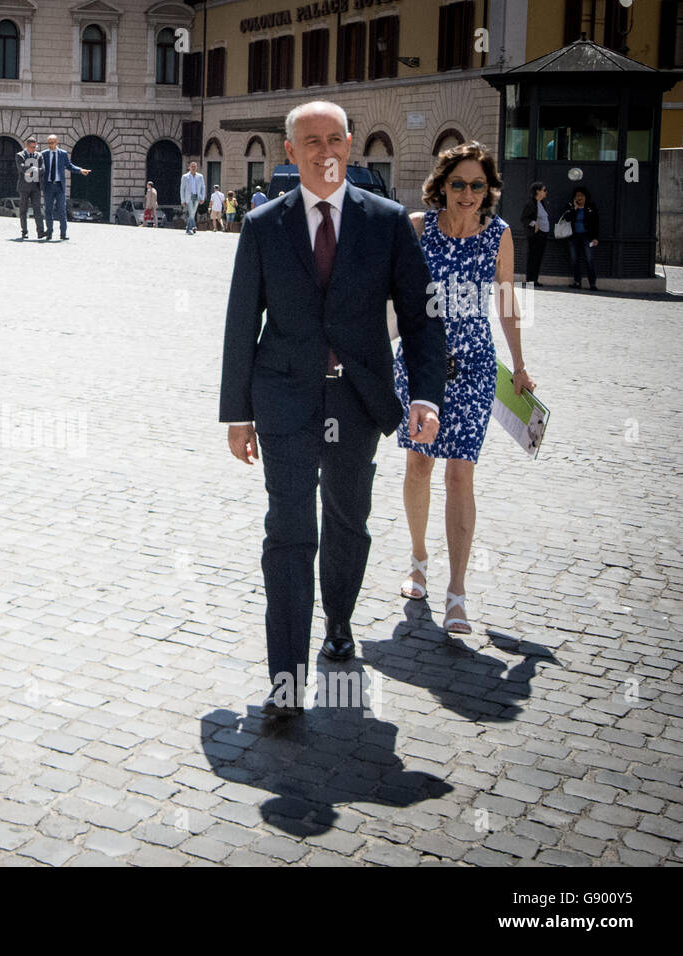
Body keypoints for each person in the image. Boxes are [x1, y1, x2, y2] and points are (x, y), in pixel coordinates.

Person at [220, 100, 445, 718]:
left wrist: (425, 393)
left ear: (350, 146)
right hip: (284, 399)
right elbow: (242, 323)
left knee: (348, 521)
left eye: (335, 139)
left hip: (356, 398)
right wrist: (237, 414)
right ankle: (285, 683)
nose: (324, 151)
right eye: (310, 141)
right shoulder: (264, 225)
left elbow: (424, 320)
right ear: (290, 152)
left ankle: (339, 621)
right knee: (289, 532)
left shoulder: (388, 222)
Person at [396, 141, 535, 635]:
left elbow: (507, 303)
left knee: (460, 474)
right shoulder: (417, 228)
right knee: (419, 461)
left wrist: (518, 365)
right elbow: (390, 292)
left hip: (475, 365)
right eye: (459, 184)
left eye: (479, 185)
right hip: (421, 362)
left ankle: (457, 592)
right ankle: (417, 559)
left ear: (489, 190)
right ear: (442, 186)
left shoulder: (498, 235)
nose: (469, 193)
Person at [40, 134, 90, 241]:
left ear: (56, 142)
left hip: (59, 186)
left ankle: (63, 233)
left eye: (52, 143)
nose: (50, 145)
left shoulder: (63, 154)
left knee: (62, 210)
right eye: (48, 143)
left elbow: (69, 166)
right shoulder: (43, 154)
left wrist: (80, 170)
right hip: (48, 186)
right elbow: (39, 168)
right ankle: (49, 233)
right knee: (48, 210)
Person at [563, 186, 600, 291]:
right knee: (575, 259)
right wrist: (574, 208)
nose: (579, 198)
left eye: (581, 196)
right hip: (573, 236)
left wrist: (595, 238)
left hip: (587, 237)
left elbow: (596, 223)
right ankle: (577, 282)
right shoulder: (570, 206)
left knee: (589, 259)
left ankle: (592, 283)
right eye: (577, 196)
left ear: (586, 197)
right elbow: (567, 218)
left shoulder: (591, 207)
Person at [519, 181, 551, 286]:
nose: (546, 192)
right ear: (538, 191)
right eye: (544, 190)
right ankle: (530, 280)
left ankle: (535, 279)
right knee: (533, 256)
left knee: (539, 257)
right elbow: (524, 218)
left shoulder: (543, 203)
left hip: (543, 234)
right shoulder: (531, 203)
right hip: (536, 234)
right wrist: (534, 223)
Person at [15, 137, 46, 240]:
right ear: (27, 146)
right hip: (24, 187)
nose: (34, 149)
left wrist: (32, 170)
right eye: (32, 147)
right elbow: (21, 168)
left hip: (36, 186)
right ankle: (24, 232)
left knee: (38, 210)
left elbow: (43, 169)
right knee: (23, 210)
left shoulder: (39, 155)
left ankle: (40, 232)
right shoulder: (20, 155)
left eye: (35, 147)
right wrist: (33, 169)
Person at [180, 162, 205, 235]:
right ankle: (191, 228)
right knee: (191, 212)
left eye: (195, 166)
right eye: (192, 166)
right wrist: (183, 200)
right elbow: (182, 189)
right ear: (189, 167)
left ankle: (190, 227)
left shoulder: (200, 176)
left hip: (197, 197)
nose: (193, 168)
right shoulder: (185, 176)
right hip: (189, 197)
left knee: (192, 213)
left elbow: (203, 188)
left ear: (196, 168)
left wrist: (202, 197)